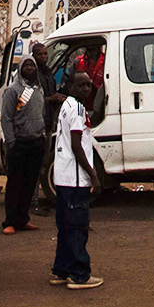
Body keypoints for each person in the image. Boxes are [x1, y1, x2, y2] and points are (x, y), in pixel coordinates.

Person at [49, 71, 102, 290]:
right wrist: (93, 175)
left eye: (89, 86)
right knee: (77, 227)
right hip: (75, 179)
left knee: (65, 226)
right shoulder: (77, 109)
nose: (86, 90)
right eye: (81, 86)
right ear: (70, 86)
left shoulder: (67, 106)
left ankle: (60, 270)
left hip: (63, 177)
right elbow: (77, 145)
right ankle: (79, 274)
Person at [0, 57, 45, 235]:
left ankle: (22, 219)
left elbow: (41, 113)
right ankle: (9, 221)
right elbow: (7, 118)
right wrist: (12, 142)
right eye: (27, 65)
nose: (31, 68)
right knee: (15, 184)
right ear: (20, 68)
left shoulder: (38, 89)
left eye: (33, 65)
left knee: (30, 183)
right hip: (19, 144)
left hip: (36, 141)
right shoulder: (13, 91)